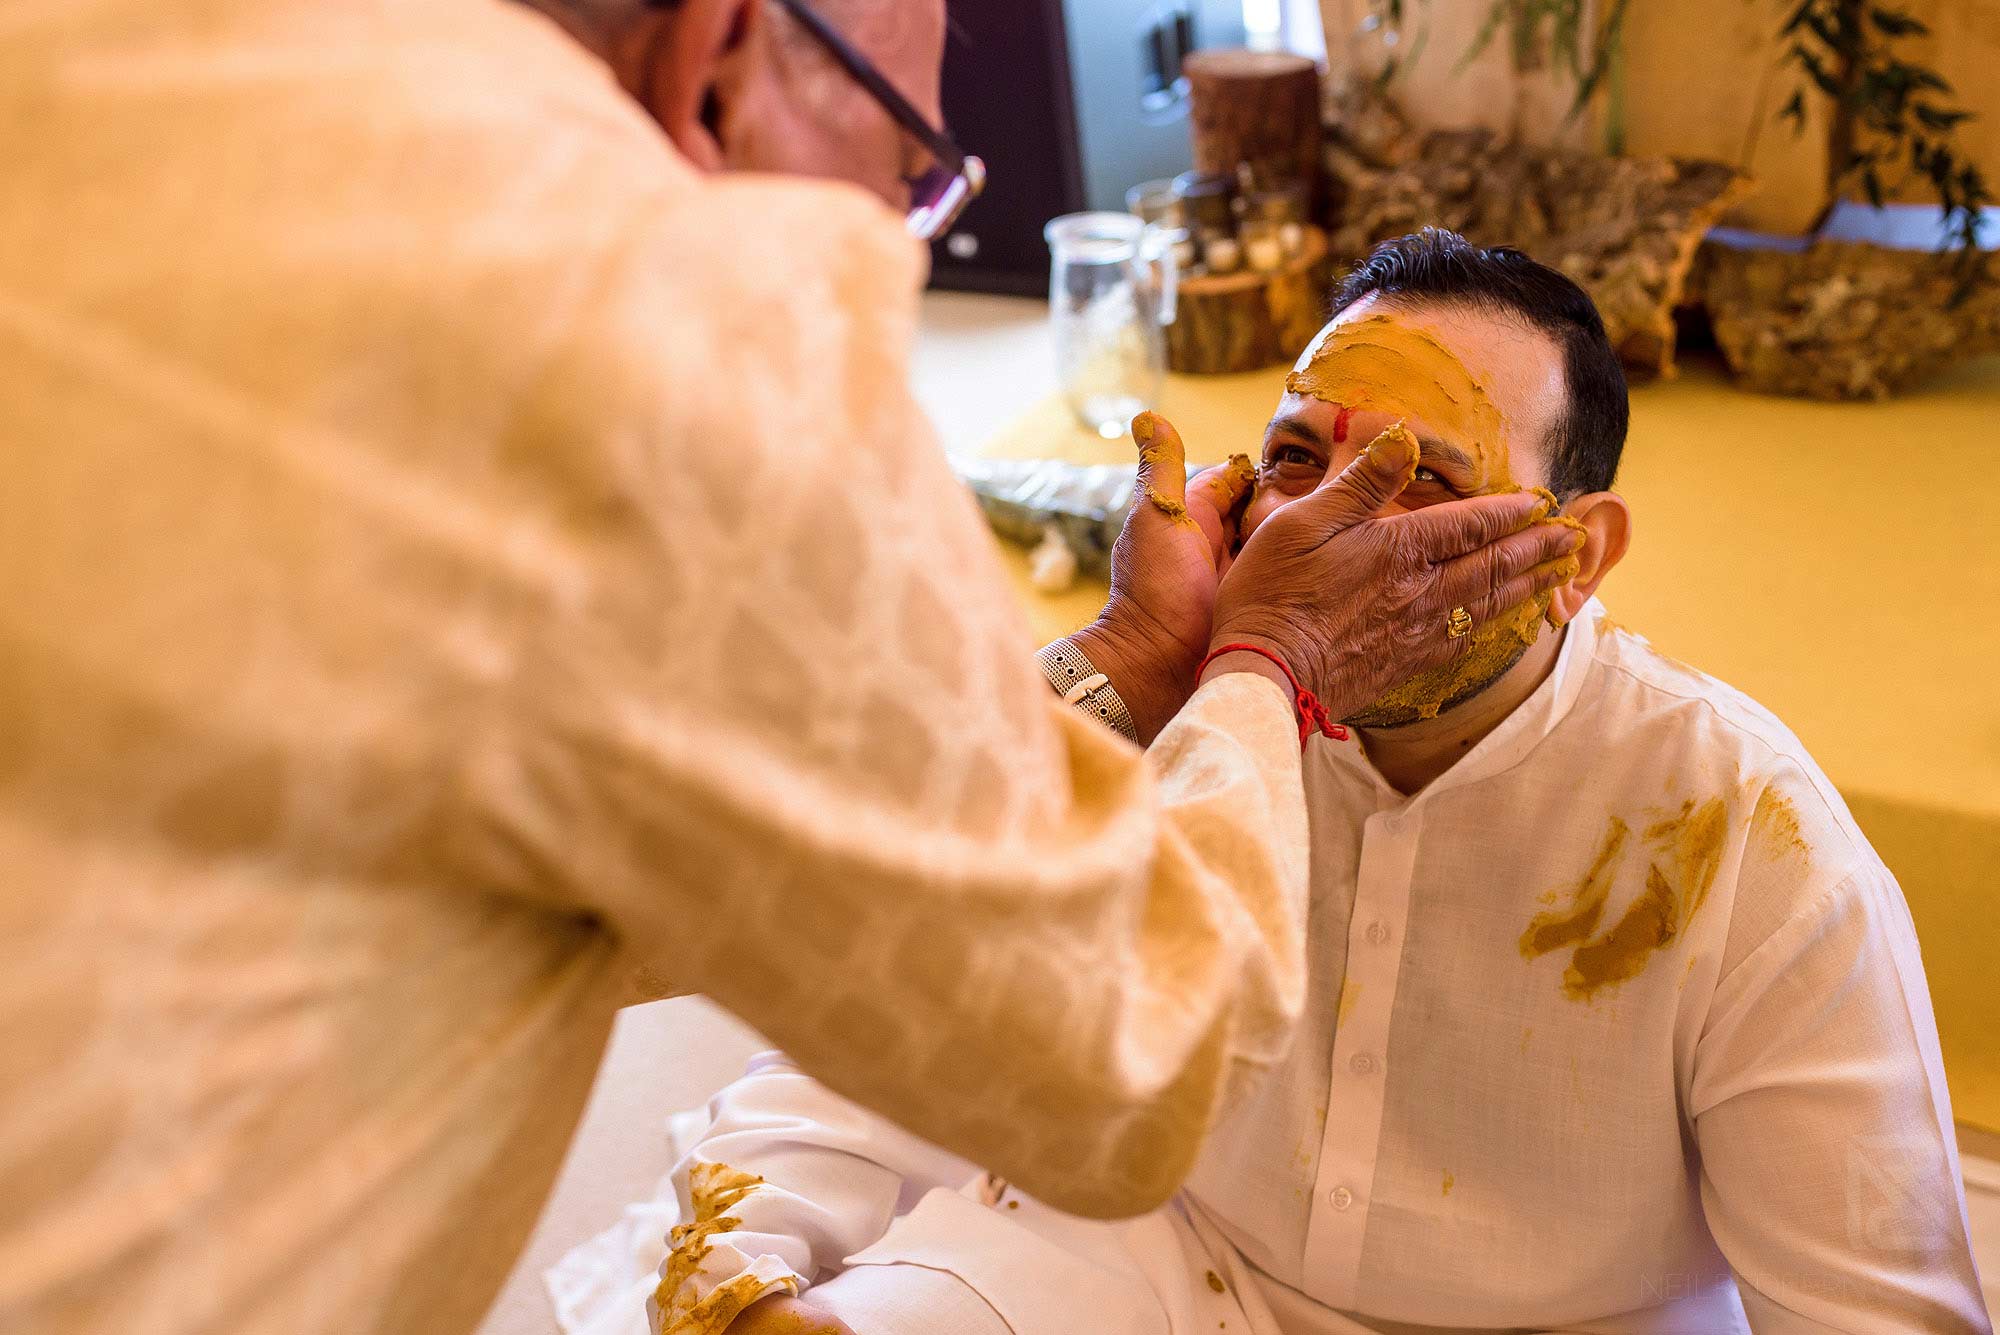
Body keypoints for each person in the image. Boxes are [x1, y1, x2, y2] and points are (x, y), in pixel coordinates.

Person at [0, 4, 1584, 1334]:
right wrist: (1274, 663)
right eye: (911, 167)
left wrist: (1132, 665)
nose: (1317, 518)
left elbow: (685, 799)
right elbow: (1133, 1054)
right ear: (716, 61)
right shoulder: (657, 316)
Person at [639, 232, 1992, 1335]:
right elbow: (884, 1012)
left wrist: (1260, 661)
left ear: (1576, 555)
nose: (1320, 529)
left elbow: (1876, 1310)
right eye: (1297, 459)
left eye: (1417, 477)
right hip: (1161, 1268)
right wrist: (744, 1277)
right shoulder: (1192, 698)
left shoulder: (1737, 828)